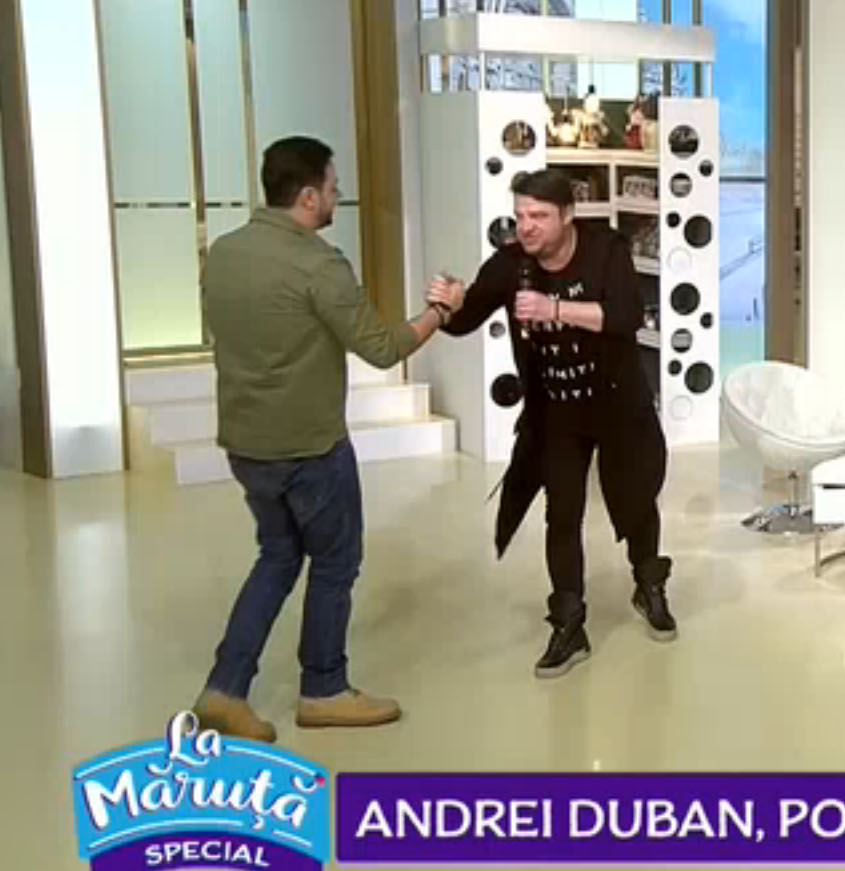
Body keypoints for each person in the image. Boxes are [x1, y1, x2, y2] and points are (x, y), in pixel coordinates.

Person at [191, 136, 465, 742]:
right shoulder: (319, 264)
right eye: (334, 188)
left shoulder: (225, 254)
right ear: (309, 196)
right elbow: (383, 347)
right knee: (336, 561)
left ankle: (224, 689)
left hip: (246, 443)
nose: (338, 197)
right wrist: (441, 313)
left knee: (277, 556)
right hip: (309, 447)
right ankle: (324, 689)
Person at [431, 168, 675, 679]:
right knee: (561, 513)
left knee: (635, 498)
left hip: (618, 403)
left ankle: (649, 584)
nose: (527, 226)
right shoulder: (510, 264)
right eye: (520, 215)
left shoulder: (605, 250)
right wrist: (447, 306)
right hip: (556, 411)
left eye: (539, 216)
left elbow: (627, 316)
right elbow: (466, 318)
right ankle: (569, 623)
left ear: (567, 215)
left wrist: (555, 308)